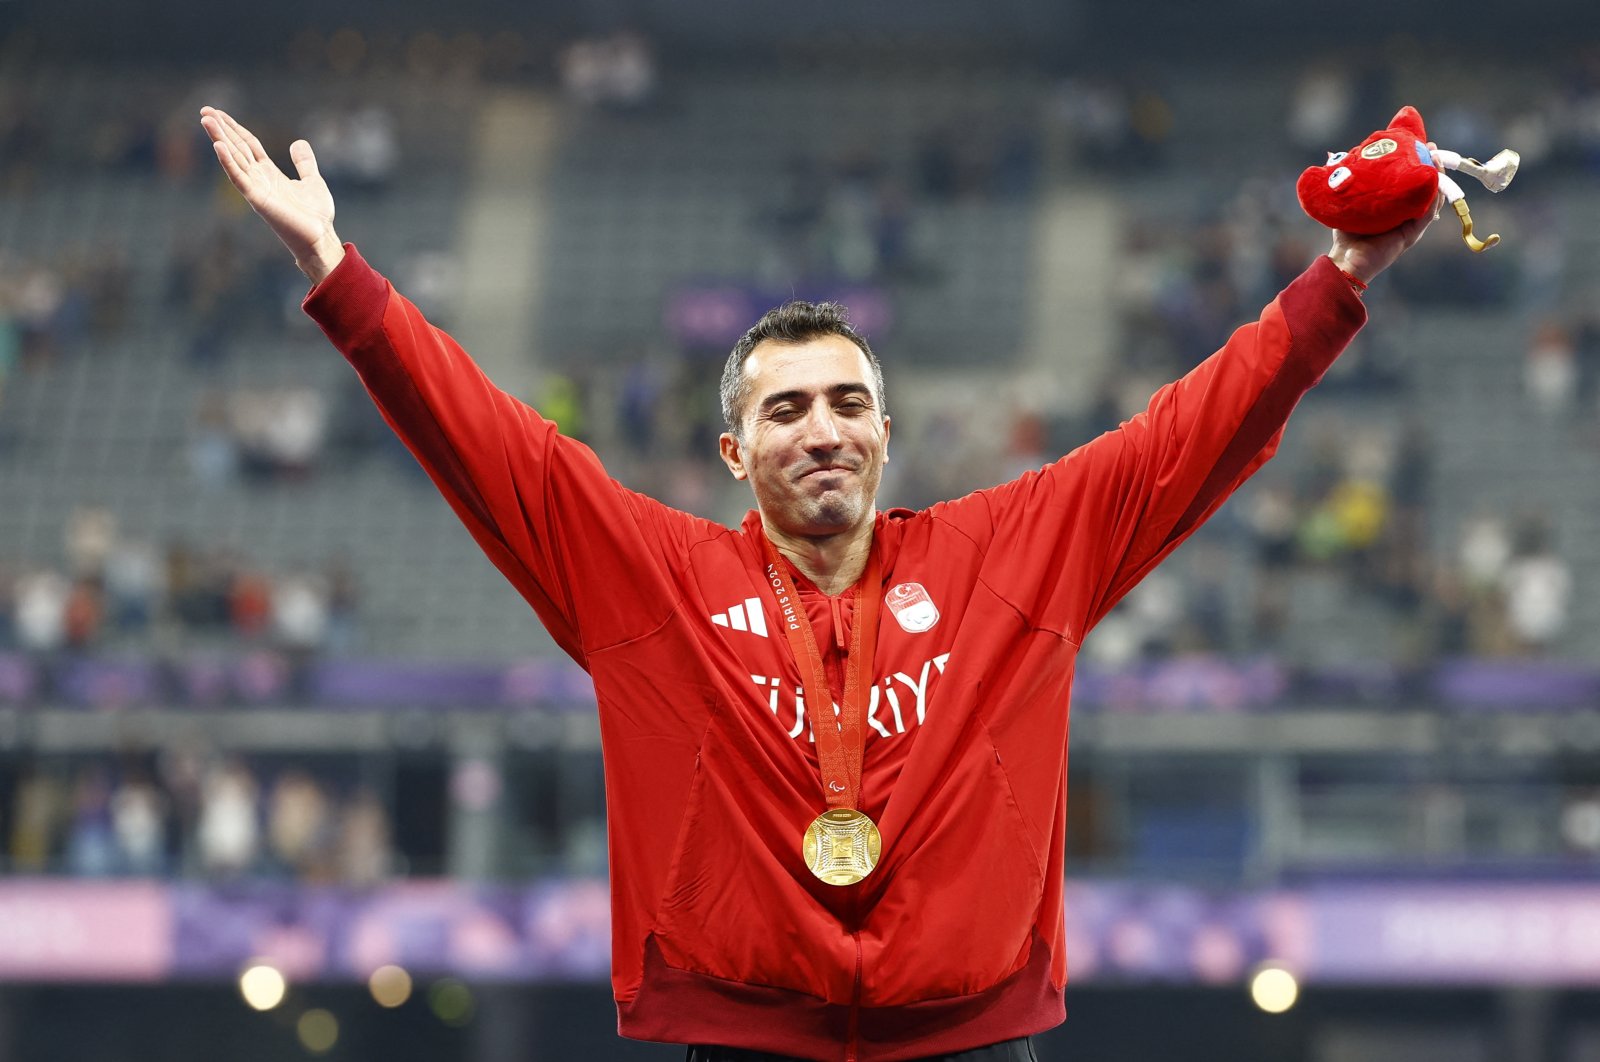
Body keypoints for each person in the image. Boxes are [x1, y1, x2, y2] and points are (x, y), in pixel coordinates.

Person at [200, 105, 1433, 1062]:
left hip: (974, 1041)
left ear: (887, 433)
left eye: (848, 402)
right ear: (735, 454)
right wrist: (336, 270)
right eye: (784, 410)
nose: (822, 429)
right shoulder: (656, 580)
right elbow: (491, 447)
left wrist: (1338, 284)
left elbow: (1192, 433)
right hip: (742, 1043)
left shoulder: (1006, 554)